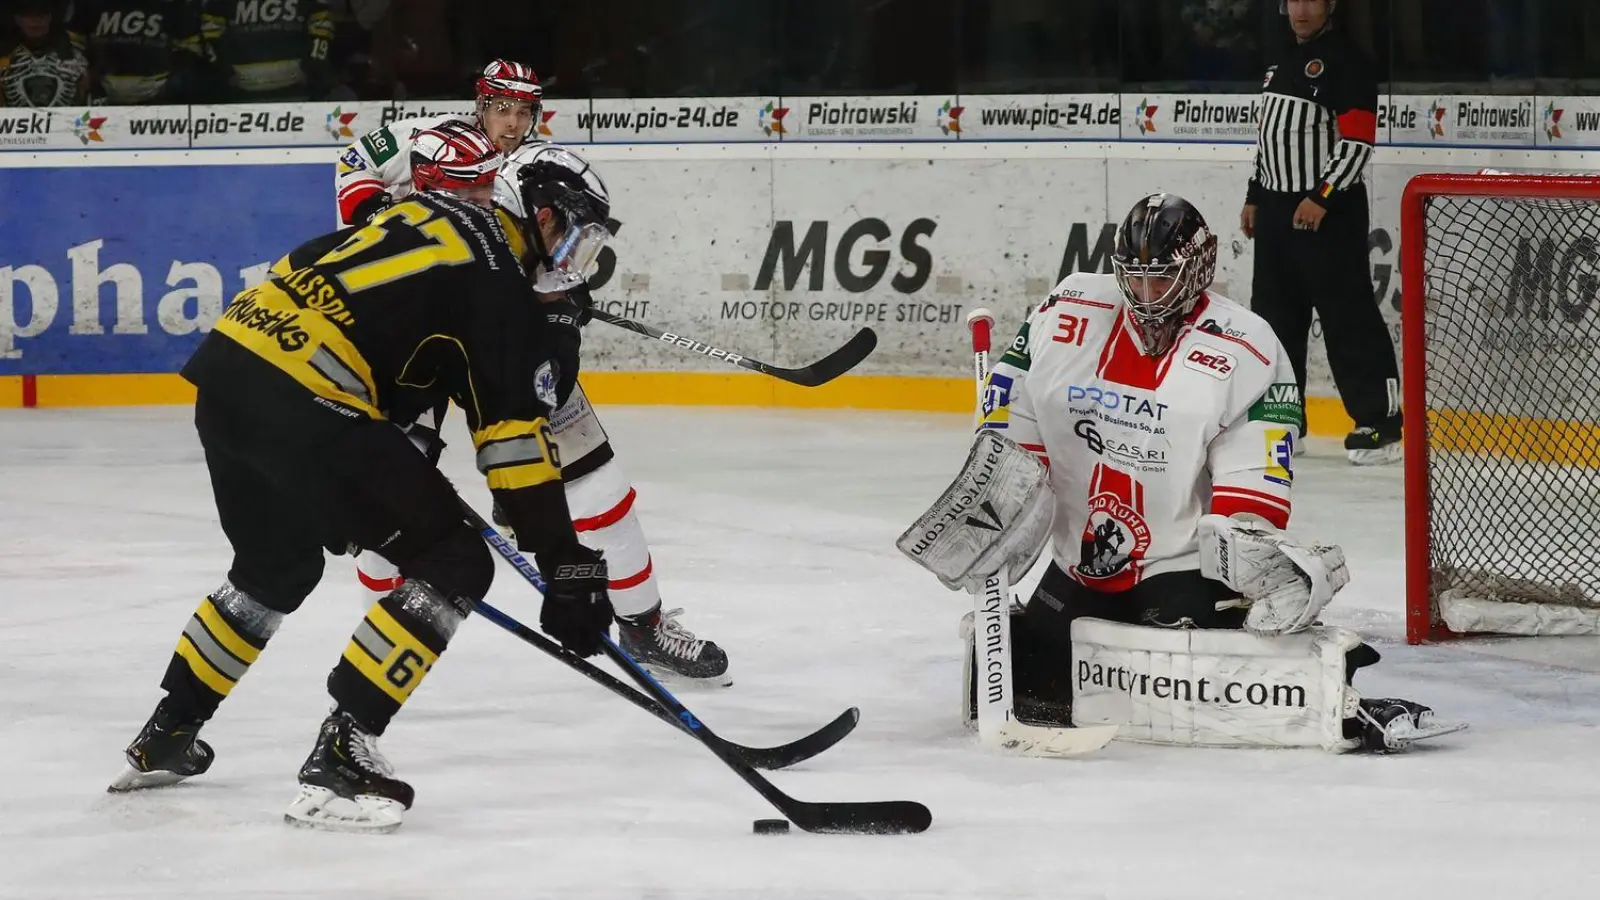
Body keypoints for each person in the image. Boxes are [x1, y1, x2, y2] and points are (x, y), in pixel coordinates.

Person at [108, 130, 616, 834]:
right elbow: (512, 441)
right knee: (457, 558)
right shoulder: (500, 279)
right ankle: (344, 752)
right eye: (579, 239)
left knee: (273, 568)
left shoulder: (420, 213)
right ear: (547, 213)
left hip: (228, 372)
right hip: (307, 402)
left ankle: (169, 728)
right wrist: (563, 559)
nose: (573, 264)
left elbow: (315, 271)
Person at [922, 194, 1454, 753]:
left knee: (1203, 689)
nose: (1146, 296)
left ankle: (1336, 702)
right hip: (1076, 564)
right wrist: (995, 507)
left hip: (1180, 568)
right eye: (1135, 278)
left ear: (1199, 269)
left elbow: (1251, 491)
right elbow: (1014, 422)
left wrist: (1248, 561)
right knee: (1029, 676)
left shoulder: (1248, 346)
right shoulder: (1065, 312)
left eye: (1163, 279)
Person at [335, 60, 731, 685]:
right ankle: (377, 648)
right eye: (503, 109)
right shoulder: (424, 138)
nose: (512, 124)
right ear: (480, 104)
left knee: (601, 491)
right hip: (418, 344)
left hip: (503, 346)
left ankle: (645, 625)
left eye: (524, 112)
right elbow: (357, 160)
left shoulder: (547, 173)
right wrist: (373, 211)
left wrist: (564, 313)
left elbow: (558, 279)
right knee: (382, 505)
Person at [1241, 0, 1400, 465]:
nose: (1301, 10)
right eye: (1293, 0)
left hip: (1327, 212)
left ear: (1331, 5)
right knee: (1274, 321)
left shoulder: (1347, 60)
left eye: (1312, 0)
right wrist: (1255, 195)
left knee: (1346, 316)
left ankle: (1381, 425)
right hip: (1275, 211)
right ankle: (1287, 421)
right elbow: (1269, 138)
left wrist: (1322, 197)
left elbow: (1357, 141)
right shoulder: (1278, 58)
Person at [1, 0, 89, 107]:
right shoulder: (3, 56)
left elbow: (88, 88)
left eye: (43, 13)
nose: (37, 20)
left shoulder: (75, 47)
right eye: (28, 14)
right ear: (16, 18)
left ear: (51, 16)